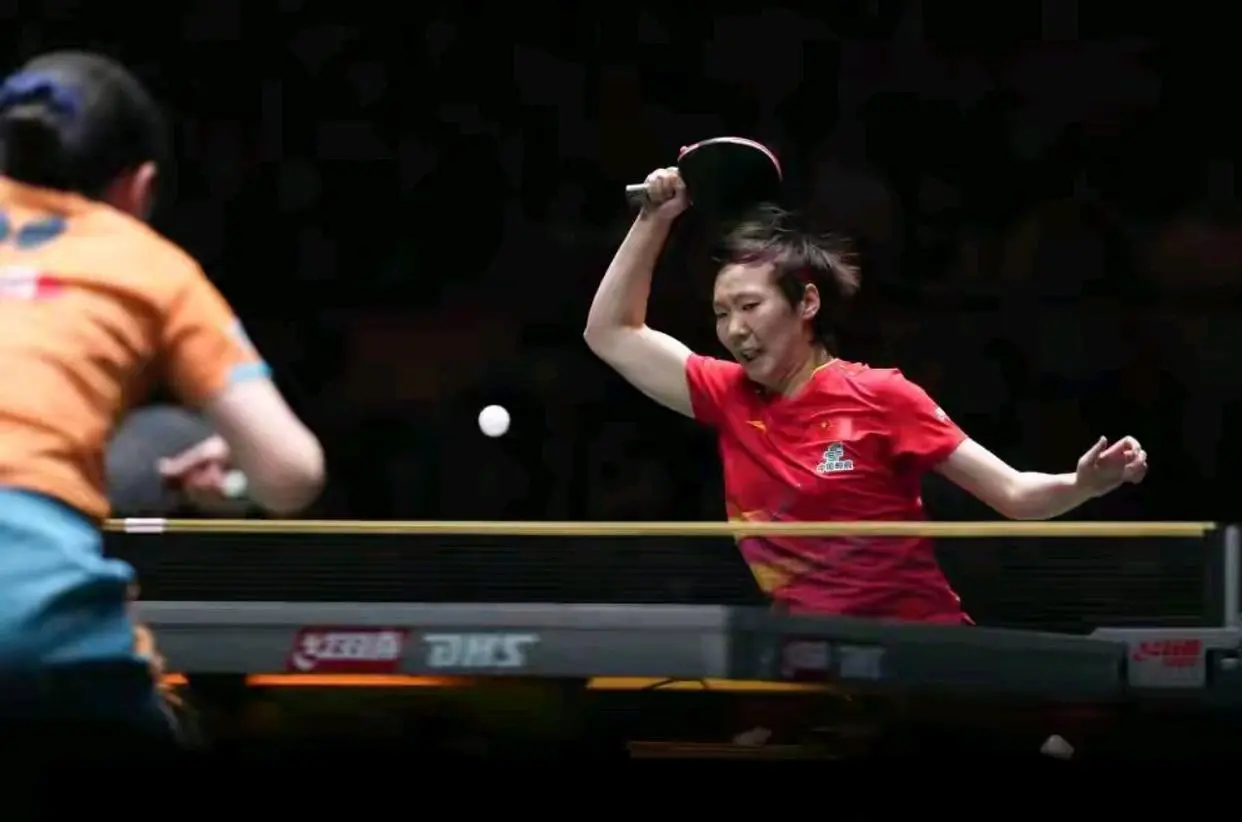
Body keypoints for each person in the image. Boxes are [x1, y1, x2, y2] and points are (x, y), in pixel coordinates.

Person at [585, 166, 1148, 623]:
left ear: (807, 304)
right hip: (809, 662)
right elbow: (609, 332)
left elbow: (1015, 495)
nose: (734, 329)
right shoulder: (727, 394)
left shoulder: (882, 395)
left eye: (750, 306)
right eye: (721, 313)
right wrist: (655, 219)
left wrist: (1082, 484)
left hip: (918, 654)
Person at [0, 51, 324, 740]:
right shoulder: (149, 265)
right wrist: (239, 480)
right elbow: (293, 474)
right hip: (30, 618)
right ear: (140, 188)